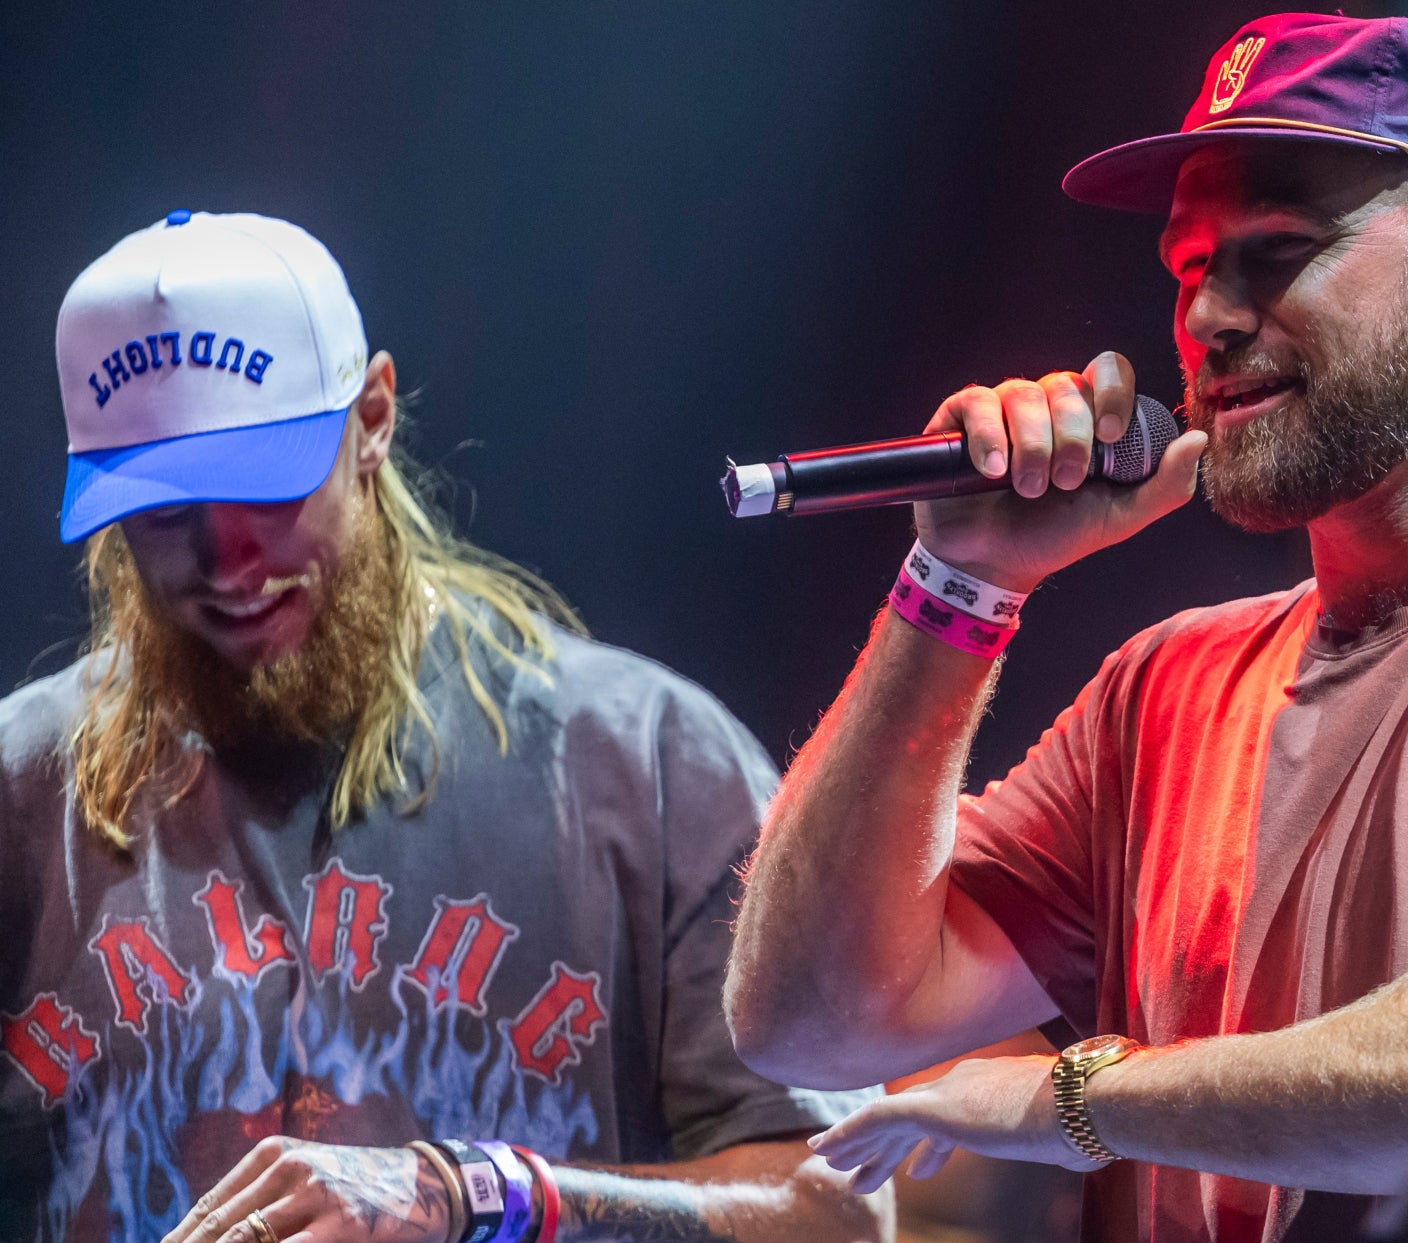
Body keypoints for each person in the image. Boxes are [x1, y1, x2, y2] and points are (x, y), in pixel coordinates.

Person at [725, 14, 1408, 1243]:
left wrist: (1075, 1099)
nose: (1208, 315)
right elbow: (807, 1019)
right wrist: (959, 583)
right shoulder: (1165, 687)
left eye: (1276, 250)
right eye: (1188, 265)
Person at [0, 210, 886, 1243]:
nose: (229, 559)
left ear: (372, 418)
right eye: (165, 508)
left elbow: (839, 1211)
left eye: (269, 486)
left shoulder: (648, 766)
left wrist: (480, 1193)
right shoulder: (19, 795)